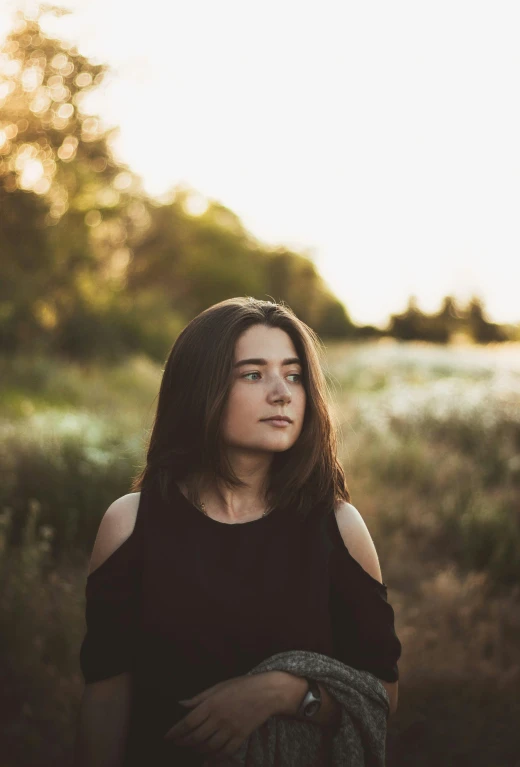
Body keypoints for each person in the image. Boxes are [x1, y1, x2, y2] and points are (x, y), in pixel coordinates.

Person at [74, 296, 401, 766]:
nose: (282, 393)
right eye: (253, 374)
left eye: (293, 375)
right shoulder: (130, 524)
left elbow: (381, 695)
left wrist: (283, 692)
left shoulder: (339, 527)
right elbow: (105, 700)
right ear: (200, 388)